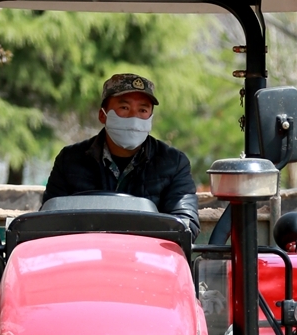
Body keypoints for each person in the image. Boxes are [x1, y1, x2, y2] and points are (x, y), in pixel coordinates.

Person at [42, 73, 199, 239]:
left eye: (143, 110)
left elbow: (186, 224)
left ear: (151, 118)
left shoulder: (173, 163)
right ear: (103, 114)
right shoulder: (70, 160)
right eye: (124, 108)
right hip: (84, 256)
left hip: (146, 259)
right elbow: (48, 221)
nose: (134, 117)